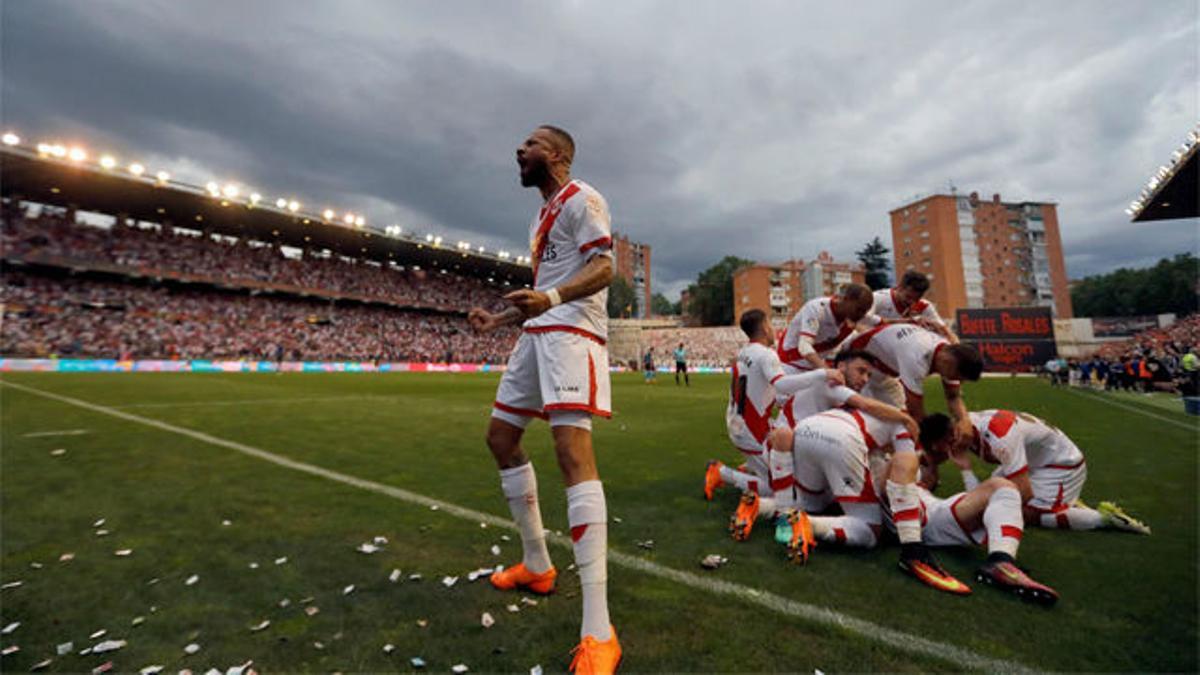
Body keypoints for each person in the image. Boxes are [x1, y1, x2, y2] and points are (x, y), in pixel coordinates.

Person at [467, 125, 620, 673]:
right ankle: (538, 564)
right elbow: (539, 297)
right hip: (537, 333)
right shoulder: (538, 217)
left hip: (573, 333)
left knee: (572, 453)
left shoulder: (584, 199)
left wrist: (551, 297)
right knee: (501, 438)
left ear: (555, 155)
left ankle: (599, 630)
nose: (518, 150)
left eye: (528, 144)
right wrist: (499, 319)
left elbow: (606, 269)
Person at [720, 349, 918, 542]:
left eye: (868, 374)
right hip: (786, 447)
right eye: (861, 370)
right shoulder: (832, 383)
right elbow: (866, 405)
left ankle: (754, 501)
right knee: (829, 502)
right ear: (841, 366)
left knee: (813, 503)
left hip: (790, 446)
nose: (865, 379)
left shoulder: (825, 384)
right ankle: (778, 513)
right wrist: (904, 418)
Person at [766, 407, 969, 594]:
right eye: (950, 442)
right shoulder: (904, 429)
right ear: (934, 444)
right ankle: (808, 524)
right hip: (842, 438)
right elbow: (900, 467)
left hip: (807, 428)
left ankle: (763, 507)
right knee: (871, 529)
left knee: (816, 504)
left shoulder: (881, 414)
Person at [918, 411, 1150, 534]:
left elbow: (1024, 493)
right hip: (1033, 461)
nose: (942, 454)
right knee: (990, 497)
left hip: (1062, 466)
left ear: (951, 438)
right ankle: (1059, 499)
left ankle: (1106, 519)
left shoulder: (1000, 439)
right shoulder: (966, 428)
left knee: (1025, 514)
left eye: (941, 448)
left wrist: (967, 470)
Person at [777, 283, 874, 373]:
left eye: (865, 311)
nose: (861, 315)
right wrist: (827, 371)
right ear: (845, 299)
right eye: (859, 310)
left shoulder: (853, 316)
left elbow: (882, 323)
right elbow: (804, 347)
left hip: (813, 369)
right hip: (789, 365)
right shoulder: (816, 309)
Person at [861, 270, 957, 344]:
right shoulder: (878, 298)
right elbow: (864, 319)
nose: (911, 302)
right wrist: (906, 321)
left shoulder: (924, 306)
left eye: (916, 299)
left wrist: (954, 343)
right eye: (908, 297)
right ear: (900, 287)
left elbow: (944, 329)